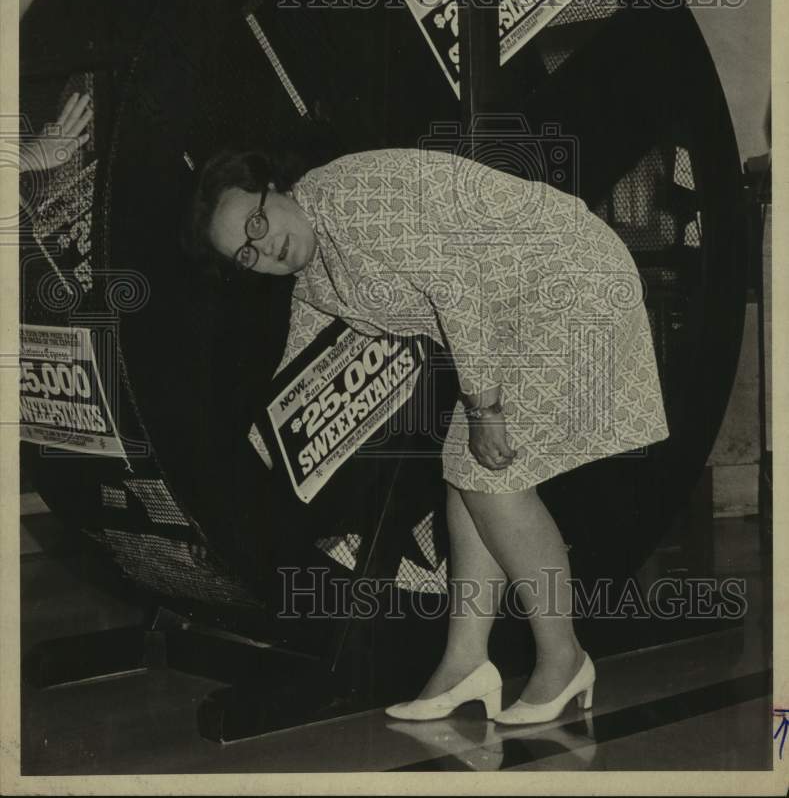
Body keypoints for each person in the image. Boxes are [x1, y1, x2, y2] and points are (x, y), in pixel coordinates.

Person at [186, 145, 670, 725]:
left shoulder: (348, 197)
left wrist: (485, 407)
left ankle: (563, 659)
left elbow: (456, 282)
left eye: (256, 224)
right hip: (509, 320)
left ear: (275, 186)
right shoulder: (315, 276)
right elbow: (298, 371)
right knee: (464, 475)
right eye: (246, 255)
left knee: (495, 483)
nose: (264, 249)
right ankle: (465, 664)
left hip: (568, 282)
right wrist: (251, 463)